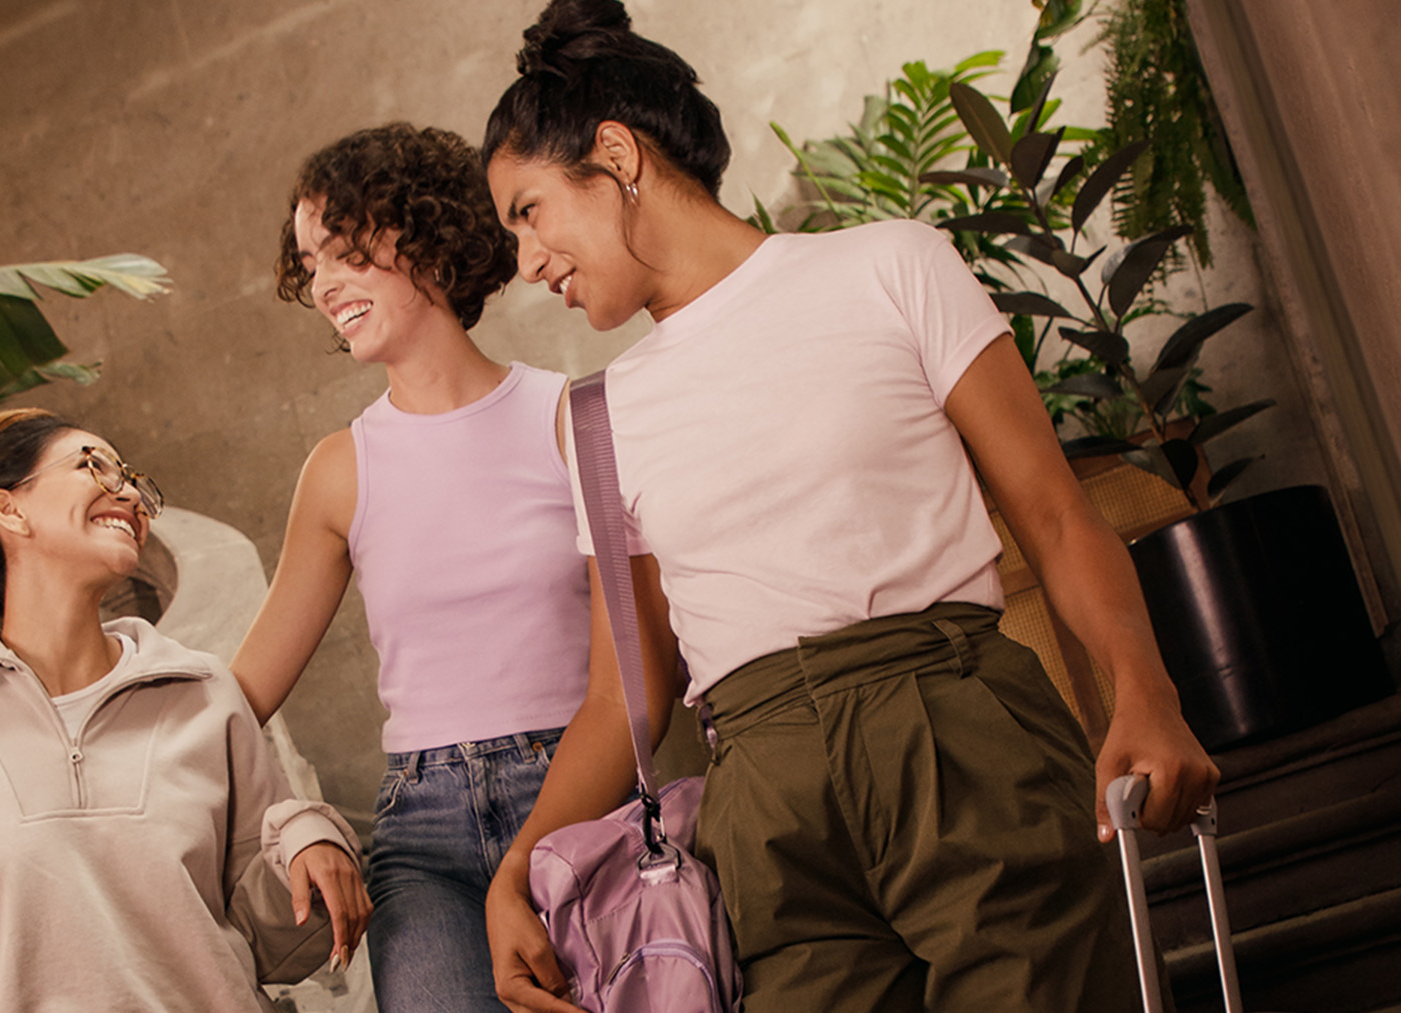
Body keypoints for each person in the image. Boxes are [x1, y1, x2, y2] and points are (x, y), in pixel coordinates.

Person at [476, 2, 1223, 1011]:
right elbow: (629, 694)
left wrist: (1146, 688)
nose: (526, 263)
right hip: (765, 802)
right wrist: (514, 871)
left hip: (956, 733)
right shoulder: (596, 418)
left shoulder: (888, 266)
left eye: (528, 211)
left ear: (614, 154)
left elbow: (1053, 515)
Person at [0, 124, 604, 1013]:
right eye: (309, 262)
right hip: (423, 834)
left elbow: (632, 678)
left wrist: (529, 856)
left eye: (343, 249)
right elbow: (229, 697)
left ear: (422, 232)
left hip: (583, 795)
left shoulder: (567, 418)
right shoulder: (340, 470)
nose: (323, 284)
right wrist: (27, 678)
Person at [0, 409, 367, 1012]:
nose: (129, 492)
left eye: (132, 478)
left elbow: (271, 944)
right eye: (94, 466)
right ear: (8, 509)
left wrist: (305, 834)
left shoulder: (205, 694)